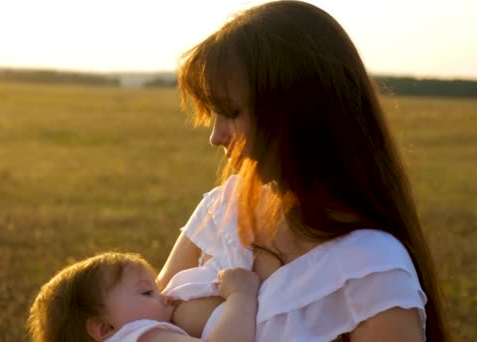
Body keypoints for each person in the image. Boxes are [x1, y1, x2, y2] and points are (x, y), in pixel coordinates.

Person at [157, 1, 451, 341]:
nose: (215, 137)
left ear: (298, 113)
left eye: (231, 112)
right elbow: (138, 319)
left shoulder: (373, 272)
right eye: (212, 114)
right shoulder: (224, 207)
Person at [27, 252, 260, 342]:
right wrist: (241, 296)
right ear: (104, 329)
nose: (166, 297)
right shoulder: (140, 335)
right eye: (147, 292)